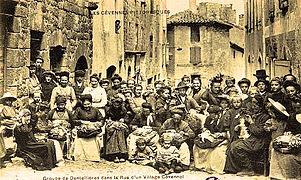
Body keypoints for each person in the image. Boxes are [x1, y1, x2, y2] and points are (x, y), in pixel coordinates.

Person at [224, 95, 271, 175]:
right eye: (253, 104)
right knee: (233, 144)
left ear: (260, 105)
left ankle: (249, 169)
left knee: (236, 147)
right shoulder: (253, 114)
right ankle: (236, 168)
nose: (254, 106)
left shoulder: (265, 117)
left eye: (256, 104)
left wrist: (251, 122)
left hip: (259, 141)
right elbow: (246, 127)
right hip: (252, 139)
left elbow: (259, 132)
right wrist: (240, 126)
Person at [72, 94, 104, 161]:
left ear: (91, 103)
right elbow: (73, 120)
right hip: (82, 127)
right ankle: (80, 156)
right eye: (85, 104)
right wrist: (81, 122)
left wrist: (98, 124)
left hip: (93, 128)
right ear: (82, 104)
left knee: (96, 133)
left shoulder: (95, 110)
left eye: (88, 104)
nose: (87, 106)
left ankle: (93, 156)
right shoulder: (79, 110)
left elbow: (101, 119)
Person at [105, 95, 129, 163]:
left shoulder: (123, 110)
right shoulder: (109, 110)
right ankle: (113, 154)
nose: (116, 106)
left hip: (121, 125)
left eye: (118, 104)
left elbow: (126, 118)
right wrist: (111, 122)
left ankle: (122, 154)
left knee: (120, 130)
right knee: (113, 131)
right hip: (112, 124)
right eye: (115, 104)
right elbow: (106, 119)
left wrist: (123, 120)